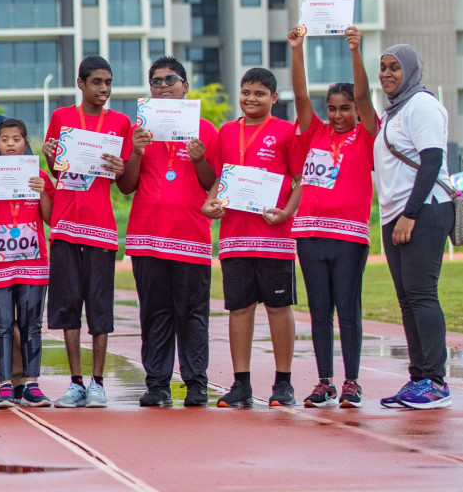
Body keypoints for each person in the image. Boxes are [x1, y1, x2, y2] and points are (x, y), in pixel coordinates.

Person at [117, 56, 221, 408]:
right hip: (147, 236)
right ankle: (158, 384)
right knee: (154, 313)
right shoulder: (138, 132)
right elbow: (126, 187)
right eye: (156, 82)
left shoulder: (206, 130)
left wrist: (199, 160)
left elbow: (214, 183)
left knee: (192, 314)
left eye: (170, 80)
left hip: (190, 237)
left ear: (185, 86)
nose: (163, 87)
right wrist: (136, 152)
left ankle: (195, 384)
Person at [202, 68, 302, 408]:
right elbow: (219, 176)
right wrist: (209, 202)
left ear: (274, 98)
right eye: (246, 92)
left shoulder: (287, 132)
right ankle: (241, 383)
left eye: (259, 93)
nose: (251, 99)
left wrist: (287, 212)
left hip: (274, 235)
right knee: (239, 310)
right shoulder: (226, 132)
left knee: (278, 308)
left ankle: (283, 383)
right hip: (235, 238)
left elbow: (301, 179)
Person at [288, 25, 376, 408]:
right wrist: (297, 49)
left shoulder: (369, 135)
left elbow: (365, 93)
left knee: (348, 309)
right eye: (333, 109)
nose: (339, 115)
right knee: (319, 309)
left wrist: (355, 51)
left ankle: (351, 382)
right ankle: (323, 381)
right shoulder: (315, 133)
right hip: (309, 233)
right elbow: (300, 94)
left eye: (346, 108)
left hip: (349, 237)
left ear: (357, 109)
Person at [42, 57, 132, 407]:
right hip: (65, 226)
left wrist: (122, 166)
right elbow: (55, 169)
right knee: (68, 308)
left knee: (99, 309)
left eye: (108, 82)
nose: (104, 89)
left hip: (101, 228)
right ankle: (75, 382)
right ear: (81, 84)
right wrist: (50, 155)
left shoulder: (120, 123)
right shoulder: (62, 118)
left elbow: (125, 181)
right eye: (96, 82)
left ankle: (98, 383)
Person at [374, 43, 455, 409]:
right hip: (398, 213)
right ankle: (419, 377)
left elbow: (432, 161)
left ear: (410, 70)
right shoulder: (394, 111)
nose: (387, 74)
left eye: (395, 67)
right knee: (407, 300)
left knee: (422, 294)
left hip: (423, 211)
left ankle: (435, 382)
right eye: (383, 67)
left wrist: (410, 213)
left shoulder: (422, 105)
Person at [0, 120, 53, 409]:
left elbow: (48, 218)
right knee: (1, 325)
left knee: (32, 325)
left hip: (33, 262)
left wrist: (43, 191)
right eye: (5, 139)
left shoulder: (38, 175)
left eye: (17, 139)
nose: (11, 143)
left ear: (25, 143)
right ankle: (5, 386)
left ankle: (32, 385)